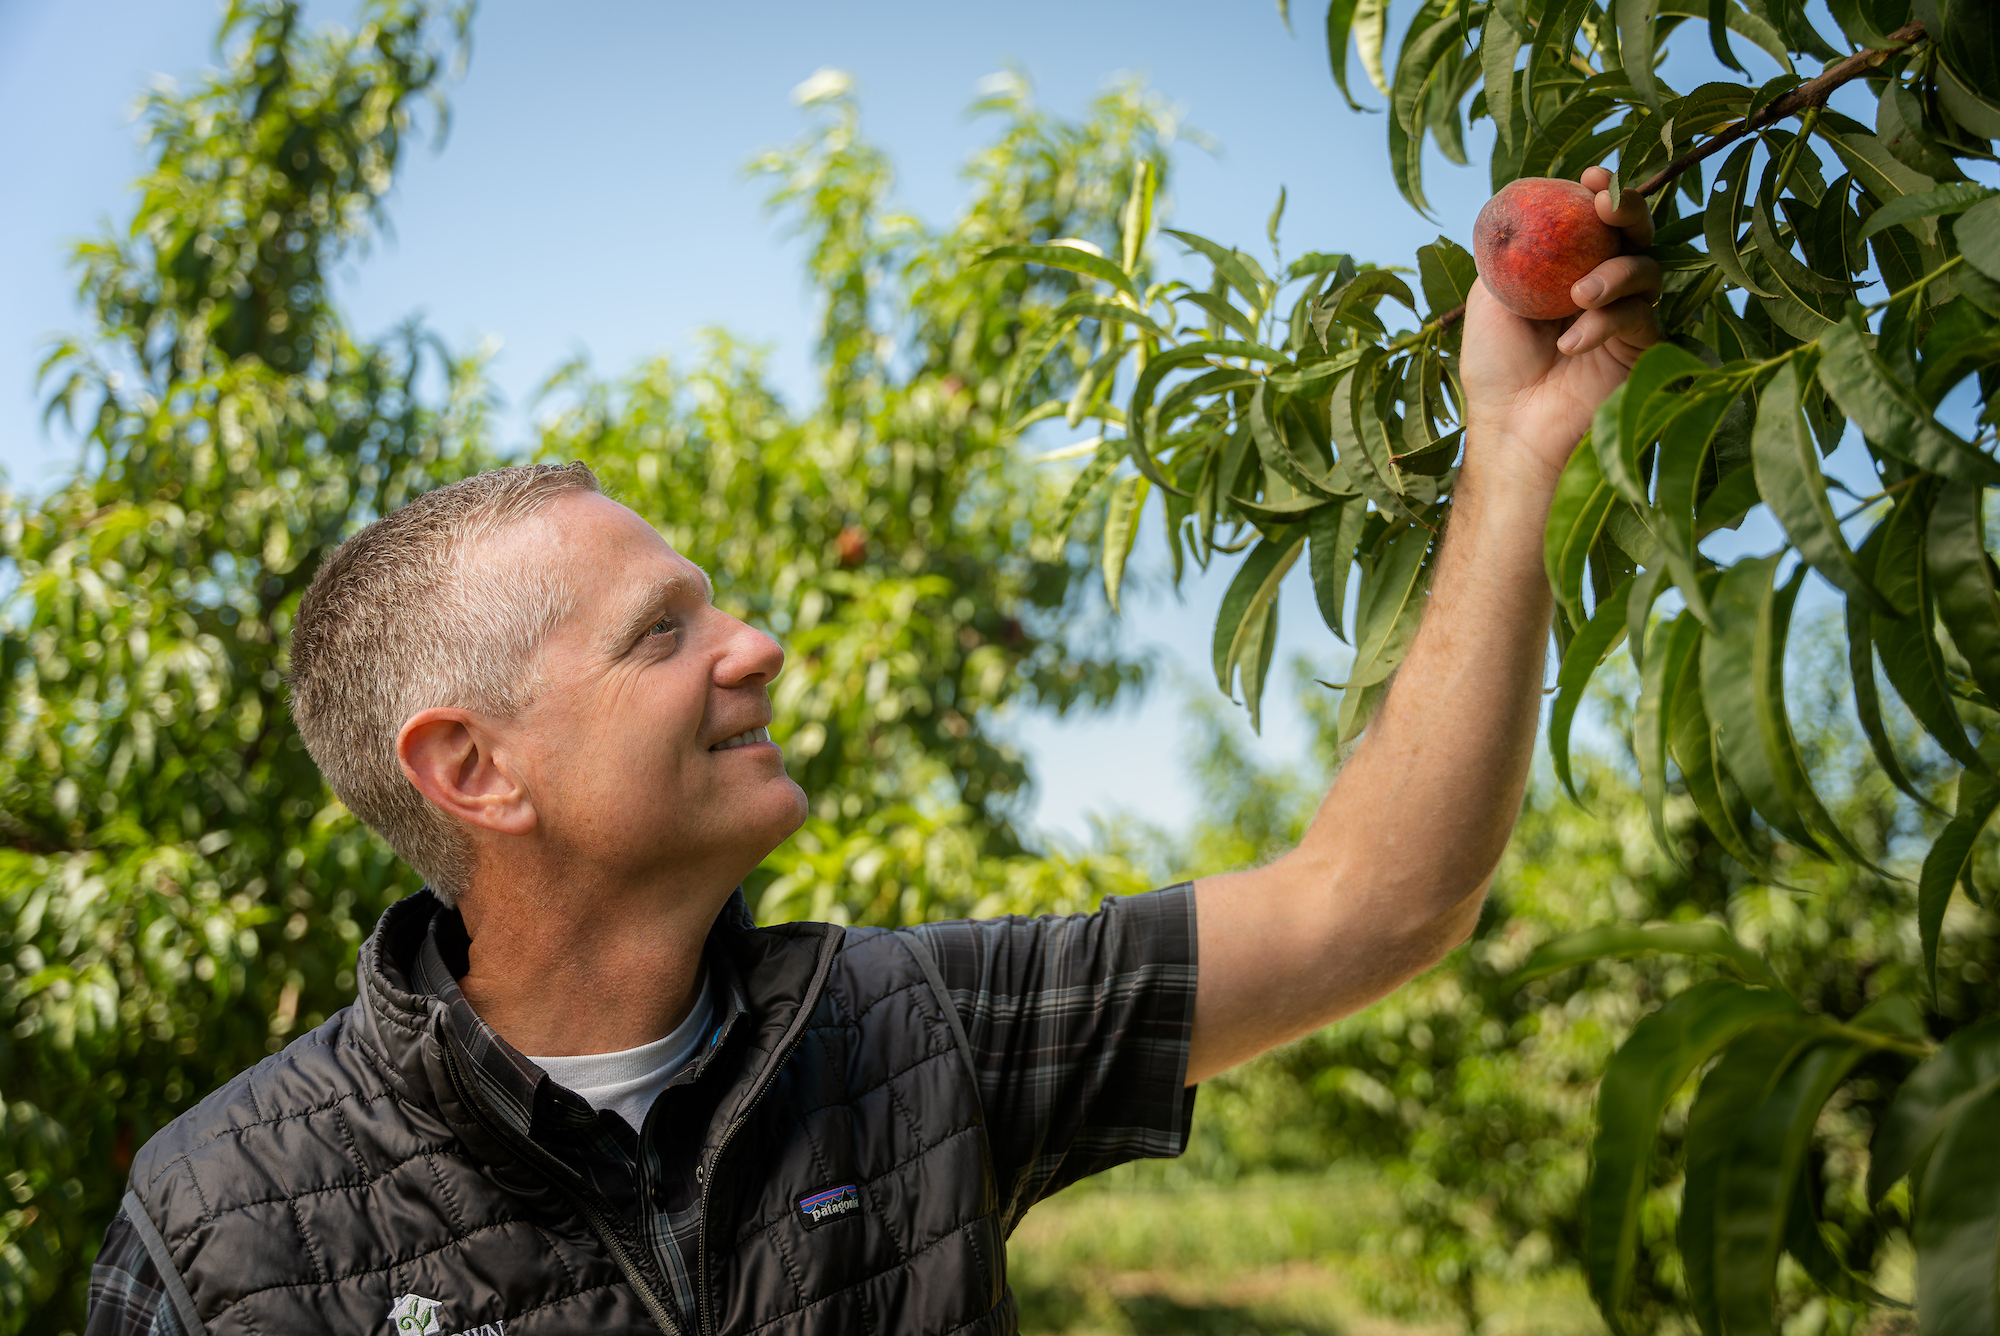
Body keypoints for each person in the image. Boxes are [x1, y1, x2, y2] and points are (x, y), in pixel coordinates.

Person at [83, 166, 1659, 1336]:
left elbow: (1376, 900)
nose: (759, 646)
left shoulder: (905, 1038)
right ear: (476, 772)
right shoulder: (224, 1229)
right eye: (660, 634)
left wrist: (1514, 451)